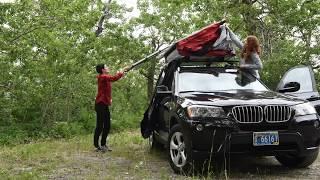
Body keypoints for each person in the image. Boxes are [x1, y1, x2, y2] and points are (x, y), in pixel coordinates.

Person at [94, 64, 127, 152]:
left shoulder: (105, 77)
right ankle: (97, 146)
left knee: (107, 125)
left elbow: (113, 78)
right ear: (103, 70)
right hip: (100, 104)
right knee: (100, 126)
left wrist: (121, 73)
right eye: (106, 67)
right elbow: (113, 78)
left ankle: (103, 144)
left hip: (104, 104)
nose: (108, 67)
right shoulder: (102, 77)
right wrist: (120, 73)